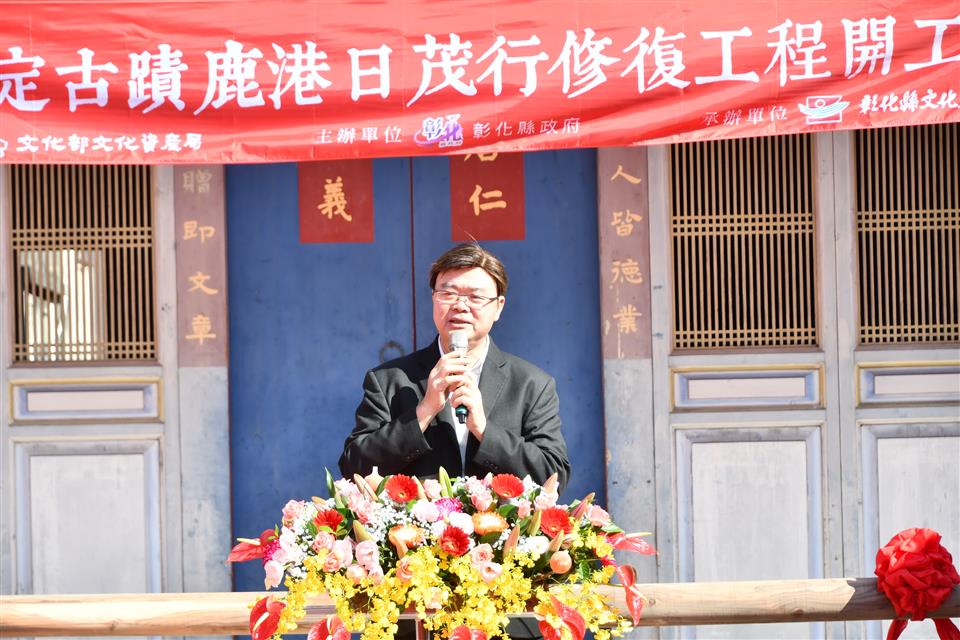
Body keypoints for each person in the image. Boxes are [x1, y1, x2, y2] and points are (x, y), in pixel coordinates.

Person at [339, 242, 570, 493]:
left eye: (475, 297)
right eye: (448, 294)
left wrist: (484, 430)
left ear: (498, 307)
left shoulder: (531, 384)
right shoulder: (388, 380)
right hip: (414, 518)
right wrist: (423, 412)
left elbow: (553, 476)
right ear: (434, 299)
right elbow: (354, 467)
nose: (460, 305)